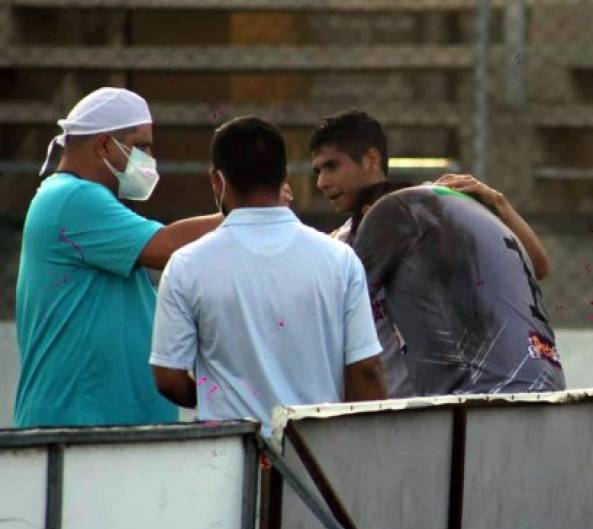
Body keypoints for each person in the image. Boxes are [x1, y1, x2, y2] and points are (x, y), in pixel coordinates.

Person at [150, 116, 386, 433]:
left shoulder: (187, 264)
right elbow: (365, 371)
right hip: (315, 457)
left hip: (230, 458)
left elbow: (168, 377)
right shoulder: (339, 260)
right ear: (284, 177)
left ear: (217, 181)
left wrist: (215, 398)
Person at [310, 110, 565, 396]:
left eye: (332, 166)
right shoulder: (341, 244)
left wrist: (498, 204)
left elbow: (536, 266)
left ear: (371, 159)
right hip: (392, 406)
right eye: (318, 171)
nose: (322, 182)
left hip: (453, 398)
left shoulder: (429, 214)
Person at [14, 87, 224, 428]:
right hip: (80, 426)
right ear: (104, 145)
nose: (149, 157)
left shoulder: (80, 201)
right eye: (140, 146)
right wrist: (246, 209)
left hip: (106, 427)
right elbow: (167, 248)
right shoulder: (73, 197)